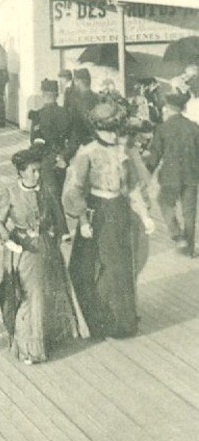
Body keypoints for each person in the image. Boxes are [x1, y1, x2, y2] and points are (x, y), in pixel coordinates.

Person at [63, 101, 152, 340]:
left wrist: (144, 214)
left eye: (117, 130)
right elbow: (76, 190)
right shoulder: (87, 152)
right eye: (109, 130)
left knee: (119, 269)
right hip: (95, 212)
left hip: (118, 212)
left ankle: (120, 323)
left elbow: (131, 186)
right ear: (98, 129)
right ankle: (93, 320)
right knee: (85, 269)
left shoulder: (122, 152)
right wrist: (82, 221)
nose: (114, 135)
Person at [0, 147, 78, 364]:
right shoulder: (10, 193)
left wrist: (56, 235)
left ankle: (49, 339)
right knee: (30, 296)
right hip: (23, 250)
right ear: (21, 172)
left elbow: (57, 217)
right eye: (32, 171)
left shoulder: (46, 190)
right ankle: (29, 349)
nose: (37, 175)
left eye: (39, 170)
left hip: (46, 248)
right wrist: (8, 241)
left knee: (50, 290)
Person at [144, 91, 199, 258]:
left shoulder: (162, 128)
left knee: (164, 202)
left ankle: (177, 234)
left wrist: (146, 174)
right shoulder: (194, 127)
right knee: (189, 212)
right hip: (191, 175)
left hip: (170, 176)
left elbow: (154, 155)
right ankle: (189, 249)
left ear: (168, 108)